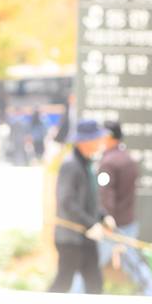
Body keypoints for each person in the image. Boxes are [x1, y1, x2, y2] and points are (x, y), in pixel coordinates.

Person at [48, 117, 115, 293]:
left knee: (95, 283)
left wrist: (102, 216)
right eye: (97, 139)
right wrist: (91, 224)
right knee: (63, 283)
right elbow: (67, 201)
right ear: (86, 141)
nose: (100, 142)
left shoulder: (87, 163)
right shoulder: (71, 165)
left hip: (86, 238)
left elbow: (88, 200)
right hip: (71, 237)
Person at [97, 120, 152, 296]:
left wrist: (106, 218)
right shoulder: (128, 158)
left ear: (110, 137)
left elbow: (106, 194)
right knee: (132, 262)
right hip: (128, 220)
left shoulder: (108, 163)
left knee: (93, 263)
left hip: (113, 224)